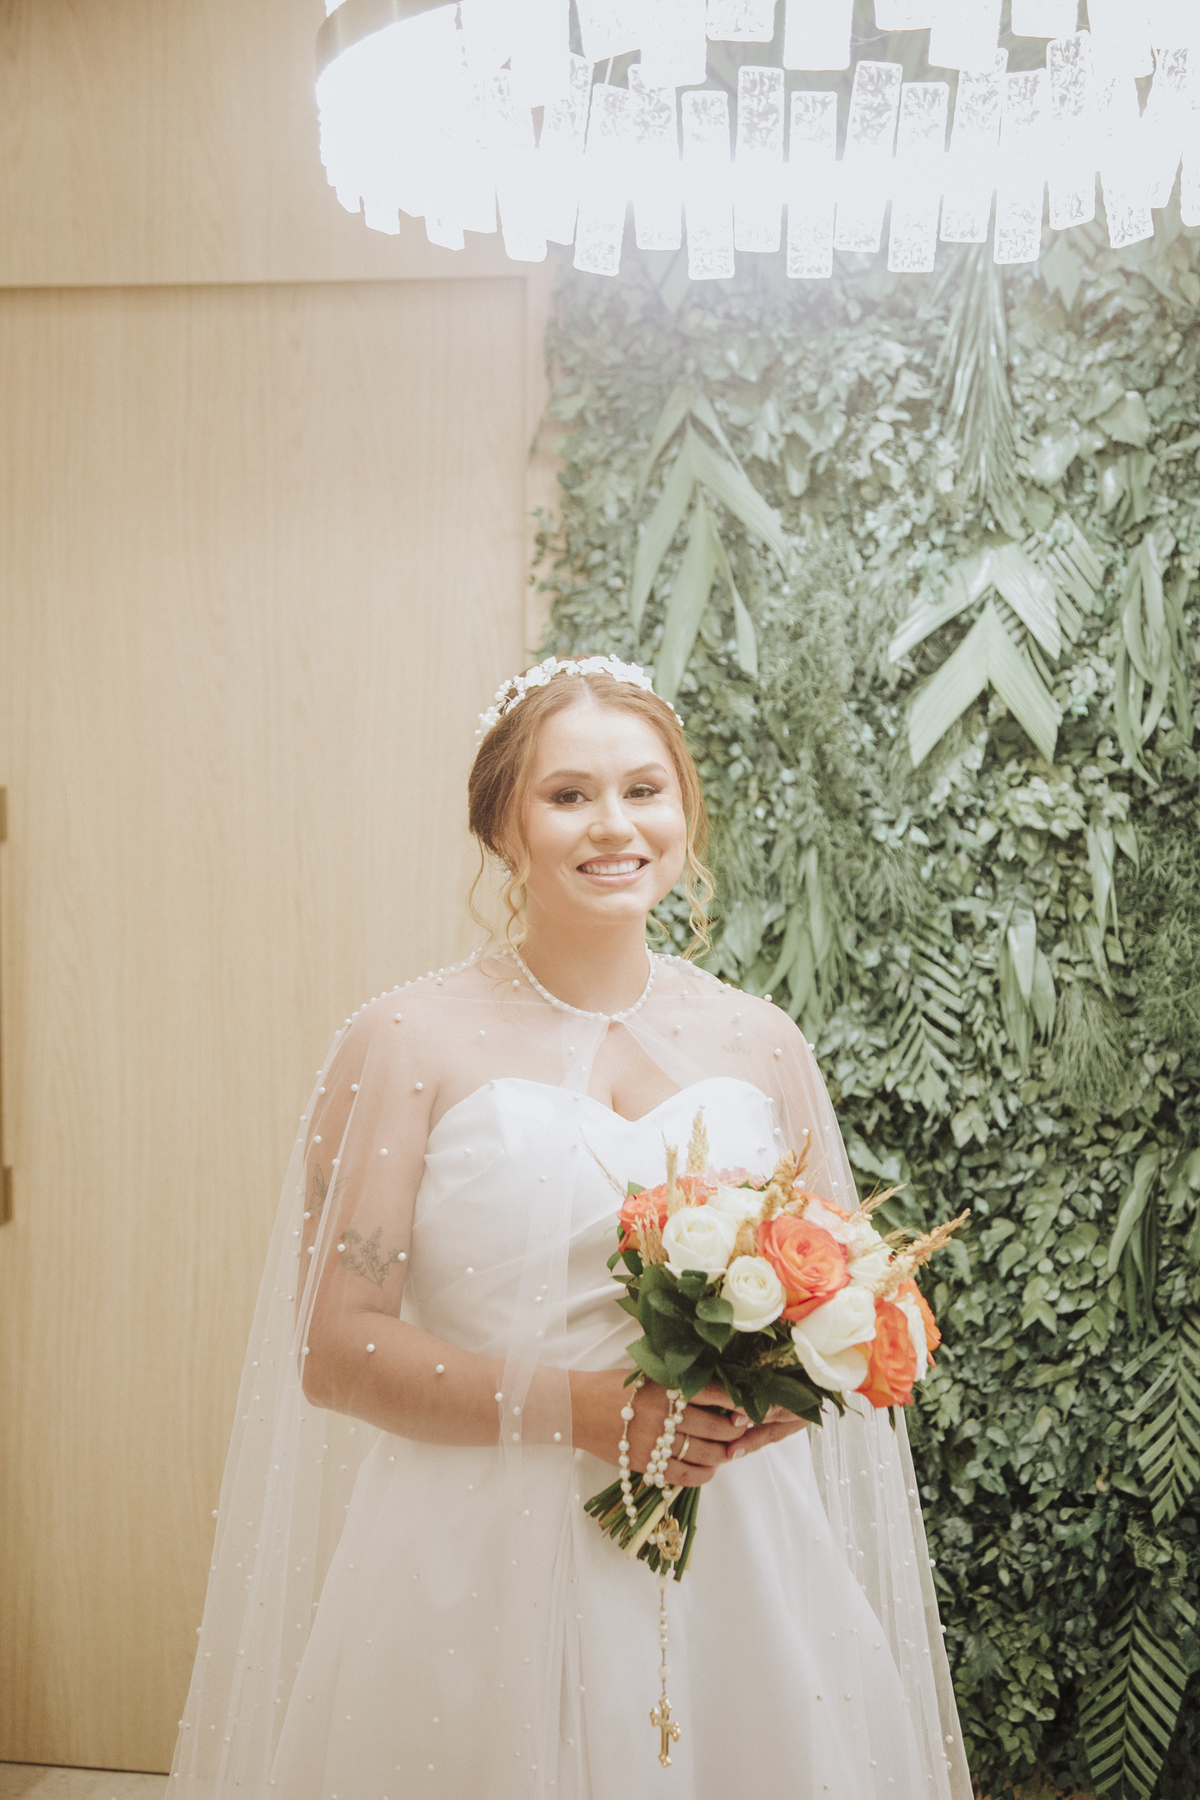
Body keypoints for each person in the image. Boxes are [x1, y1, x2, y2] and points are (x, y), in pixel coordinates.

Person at [172, 656, 971, 1800]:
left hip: (740, 1550)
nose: (615, 825)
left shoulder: (760, 1041)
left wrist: (770, 1401)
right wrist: (584, 1410)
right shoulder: (403, 1042)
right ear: (502, 825)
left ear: (685, 813)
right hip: (476, 1554)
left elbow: (840, 1305)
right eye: (568, 795)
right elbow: (335, 1348)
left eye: (645, 790)